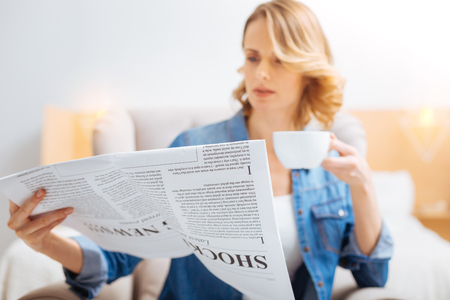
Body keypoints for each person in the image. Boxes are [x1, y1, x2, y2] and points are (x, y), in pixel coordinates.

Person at [7, 1, 393, 299]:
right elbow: (118, 256)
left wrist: (363, 188)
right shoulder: (194, 148)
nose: (260, 73)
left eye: (279, 60)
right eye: (252, 57)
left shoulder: (330, 164)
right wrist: (48, 242)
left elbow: (372, 277)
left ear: (307, 69)